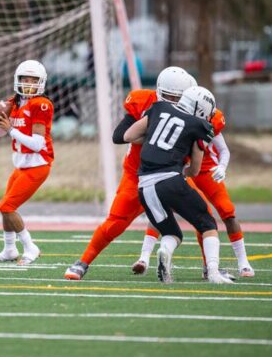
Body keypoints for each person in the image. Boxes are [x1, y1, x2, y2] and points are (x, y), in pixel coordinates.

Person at [64, 66, 195, 280]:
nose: (173, 101)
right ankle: (83, 262)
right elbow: (118, 136)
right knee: (115, 223)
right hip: (138, 176)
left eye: (177, 97)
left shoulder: (194, 109)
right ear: (159, 91)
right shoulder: (143, 102)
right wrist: (153, 134)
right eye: (169, 95)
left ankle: (211, 267)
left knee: (203, 218)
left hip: (170, 177)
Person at [123, 85, 233, 284]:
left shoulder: (158, 108)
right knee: (207, 223)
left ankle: (164, 250)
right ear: (201, 109)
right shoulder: (200, 125)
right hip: (170, 179)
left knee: (172, 232)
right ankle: (214, 272)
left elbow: (128, 136)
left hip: (144, 185)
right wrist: (183, 170)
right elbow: (195, 170)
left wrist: (155, 141)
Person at [133, 106, 254, 279]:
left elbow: (223, 149)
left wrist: (222, 166)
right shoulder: (180, 115)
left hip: (206, 171)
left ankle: (243, 263)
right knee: (174, 210)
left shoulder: (210, 118)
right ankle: (144, 258)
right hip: (183, 170)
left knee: (227, 211)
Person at [0, 60, 53, 266]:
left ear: (41, 83)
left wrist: (11, 129)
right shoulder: (13, 102)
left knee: (7, 206)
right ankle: (9, 250)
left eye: (34, 80)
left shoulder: (41, 104)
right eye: (25, 79)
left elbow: (37, 144)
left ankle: (30, 247)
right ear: (18, 80)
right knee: (5, 207)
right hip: (21, 165)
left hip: (37, 164)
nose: (29, 84)